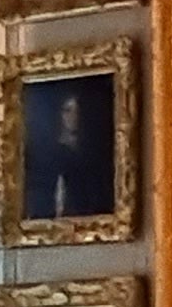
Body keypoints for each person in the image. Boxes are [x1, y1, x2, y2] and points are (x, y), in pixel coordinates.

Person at [29, 78, 111, 221]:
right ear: (58, 113)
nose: (74, 116)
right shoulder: (49, 155)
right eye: (68, 110)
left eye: (78, 110)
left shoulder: (92, 154)